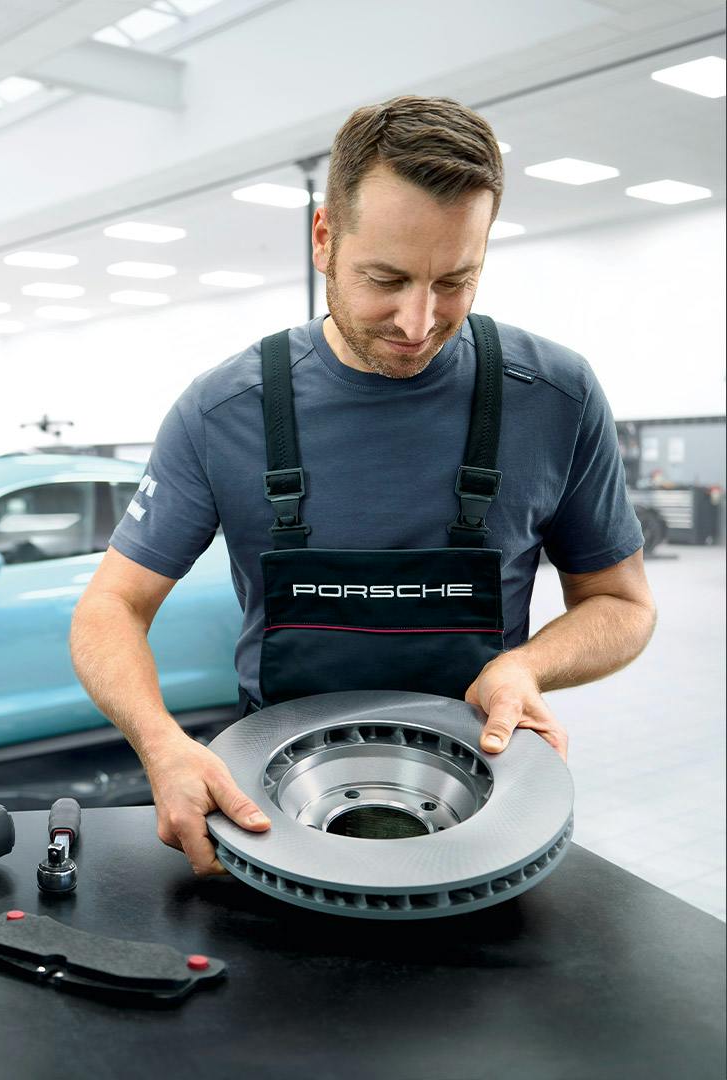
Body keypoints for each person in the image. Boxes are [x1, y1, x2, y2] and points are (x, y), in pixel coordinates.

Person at [69, 96, 658, 876]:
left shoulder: (556, 397)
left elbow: (622, 604)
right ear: (323, 238)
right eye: (387, 278)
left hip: (485, 817)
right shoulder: (223, 411)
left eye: (456, 281)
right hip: (271, 814)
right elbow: (109, 607)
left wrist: (528, 666)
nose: (418, 321)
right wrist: (162, 744)